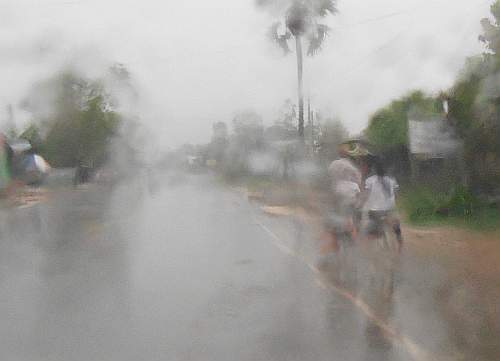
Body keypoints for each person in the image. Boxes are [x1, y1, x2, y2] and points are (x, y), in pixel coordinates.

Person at [323, 142, 368, 253]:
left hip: (337, 194)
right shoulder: (352, 167)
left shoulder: (333, 165)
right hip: (351, 195)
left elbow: (329, 179)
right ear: (348, 155)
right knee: (354, 214)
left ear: (339, 154)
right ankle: (353, 234)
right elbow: (359, 180)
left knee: (332, 217)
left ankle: (335, 239)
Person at [363, 160, 403, 252]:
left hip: (375, 211)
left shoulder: (369, 181)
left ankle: (368, 251)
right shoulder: (392, 180)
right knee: (396, 229)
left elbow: (366, 195)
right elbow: (396, 195)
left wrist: (362, 204)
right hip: (390, 210)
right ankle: (400, 245)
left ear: (374, 170)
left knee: (370, 232)